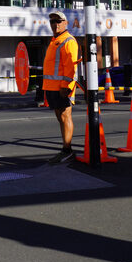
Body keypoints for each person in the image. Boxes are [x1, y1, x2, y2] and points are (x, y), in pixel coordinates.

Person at [42, 11, 79, 164]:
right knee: (60, 117)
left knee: (65, 116)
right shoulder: (55, 41)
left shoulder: (68, 40)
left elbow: (71, 66)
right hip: (51, 87)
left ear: (65, 23)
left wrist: (66, 86)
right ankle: (65, 149)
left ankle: (67, 150)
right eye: (52, 21)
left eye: (58, 21)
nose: (55, 24)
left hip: (62, 88)